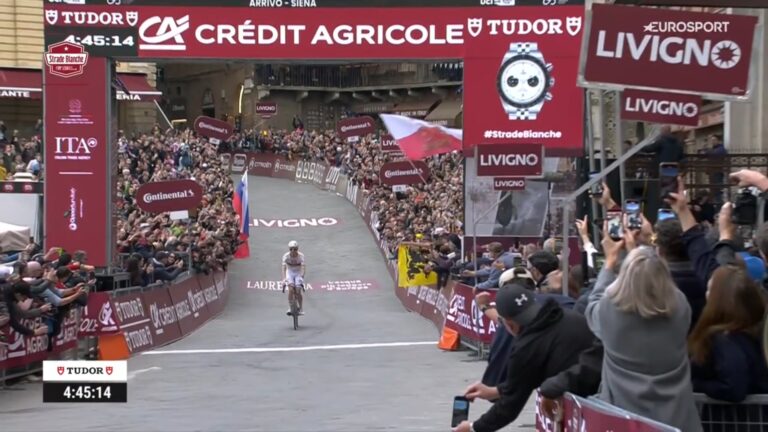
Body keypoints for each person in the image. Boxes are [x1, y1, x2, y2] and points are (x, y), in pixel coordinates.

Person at [585, 227, 702, 432]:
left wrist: (611, 262)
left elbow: (593, 304)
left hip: (624, 419)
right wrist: (643, 255)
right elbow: (656, 281)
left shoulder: (610, 309)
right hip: (677, 419)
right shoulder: (680, 306)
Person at [453, 283, 595, 432]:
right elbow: (527, 378)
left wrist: (473, 427)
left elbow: (509, 408)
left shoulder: (526, 347)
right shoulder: (568, 316)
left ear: (509, 325)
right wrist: (497, 391)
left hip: (587, 404)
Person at [688, 263, 768, 402]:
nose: (706, 295)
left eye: (710, 290)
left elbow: (733, 388)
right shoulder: (756, 332)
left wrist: (696, 384)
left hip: (736, 419)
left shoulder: (725, 340)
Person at [282, 240, 306, 315]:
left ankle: (301, 308)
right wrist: (284, 278)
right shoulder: (286, 256)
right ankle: (290, 307)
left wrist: (302, 276)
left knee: (298, 291)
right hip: (290, 272)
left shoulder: (301, 256)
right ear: (289, 249)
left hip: (298, 272)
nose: (293, 251)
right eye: (291, 249)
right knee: (291, 290)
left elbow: (303, 267)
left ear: (297, 249)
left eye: (295, 249)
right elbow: (283, 268)